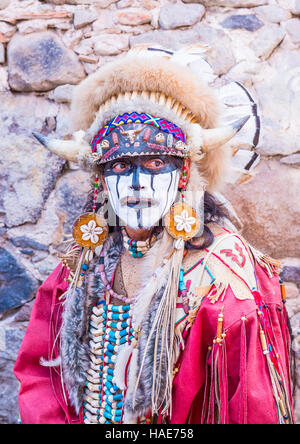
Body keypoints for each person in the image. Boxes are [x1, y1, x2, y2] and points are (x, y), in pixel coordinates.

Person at [14, 46, 294, 424]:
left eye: (155, 163)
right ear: (101, 181)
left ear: (183, 173)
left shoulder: (222, 277)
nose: (135, 184)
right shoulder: (82, 267)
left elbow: (247, 406)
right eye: (120, 165)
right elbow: (41, 378)